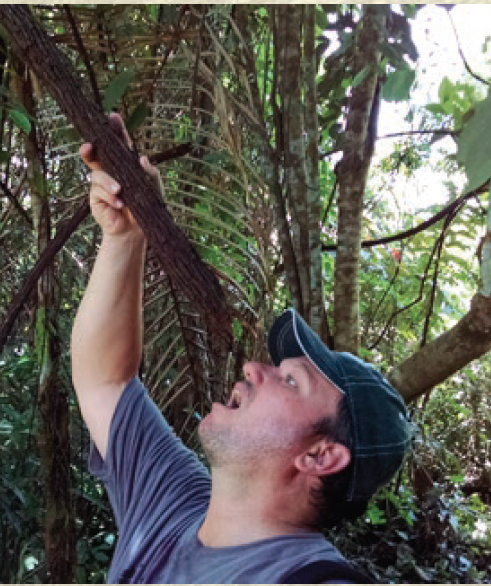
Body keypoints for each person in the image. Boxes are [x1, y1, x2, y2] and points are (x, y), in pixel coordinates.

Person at [71, 114, 412, 584]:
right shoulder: (172, 500)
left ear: (320, 457)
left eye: (291, 380)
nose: (255, 368)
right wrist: (126, 236)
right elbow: (104, 381)